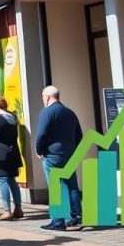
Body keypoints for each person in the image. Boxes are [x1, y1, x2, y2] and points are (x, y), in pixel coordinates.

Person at [35, 85, 83, 231]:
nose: (43, 99)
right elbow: (79, 136)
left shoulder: (47, 112)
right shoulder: (70, 113)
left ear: (48, 97)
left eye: (43, 97)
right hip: (69, 155)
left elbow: (41, 134)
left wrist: (39, 149)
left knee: (55, 188)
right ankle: (76, 217)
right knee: (72, 185)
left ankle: (58, 221)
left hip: (52, 155)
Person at [0, 94, 24, 221]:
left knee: (2, 180)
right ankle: (18, 209)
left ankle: (6, 211)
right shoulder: (12, 116)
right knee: (12, 180)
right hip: (12, 151)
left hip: (1, 153)